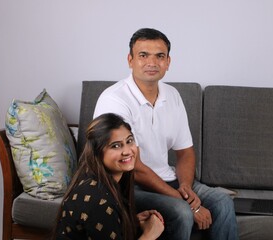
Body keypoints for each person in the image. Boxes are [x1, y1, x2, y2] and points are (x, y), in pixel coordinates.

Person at [94, 28, 238, 240]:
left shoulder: (172, 95)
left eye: (160, 56)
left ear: (168, 62)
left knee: (223, 202)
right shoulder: (115, 100)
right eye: (143, 55)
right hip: (128, 183)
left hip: (167, 177)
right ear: (130, 60)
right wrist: (187, 202)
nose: (152, 62)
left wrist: (185, 187)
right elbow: (132, 165)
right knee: (181, 212)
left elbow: (185, 152)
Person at [55, 113, 164, 240]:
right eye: (116, 146)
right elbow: (99, 213)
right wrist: (149, 235)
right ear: (97, 152)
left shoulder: (104, 183)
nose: (128, 151)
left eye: (129, 141)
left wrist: (128, 222)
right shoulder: (97, 199)